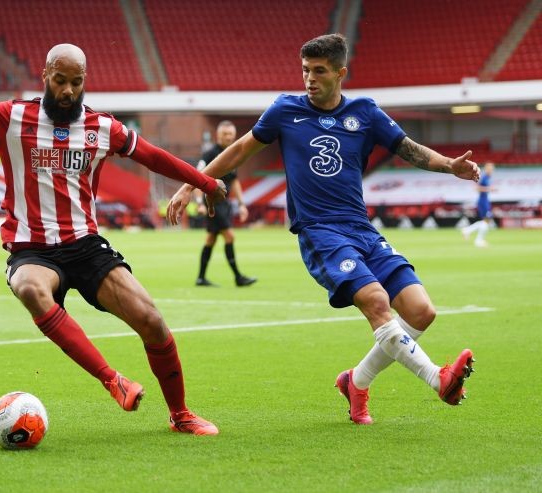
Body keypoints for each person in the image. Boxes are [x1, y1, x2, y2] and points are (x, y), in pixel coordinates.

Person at [0, 44, 226, 435]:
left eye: (76, 83)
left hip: (85, 245)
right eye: (61, 81)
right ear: (46, 75)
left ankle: (180, 414)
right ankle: (111, 379)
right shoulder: (10, 117)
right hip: (30, 248)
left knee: (151, 320)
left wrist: (204, 183)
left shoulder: (102, 128)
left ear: (85, 81)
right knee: (30, 288)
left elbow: (153, 157)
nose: (68, 91)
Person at [168, 34, 477, 425]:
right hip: (320, 232)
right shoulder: (284, 110)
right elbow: (239, 151)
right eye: (304, 70)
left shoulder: (365, 112)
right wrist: (190, 183)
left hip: (361, 229)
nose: (309, 79)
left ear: (340, 73)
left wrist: (451, 165)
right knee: (377, 303)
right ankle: (439, 379)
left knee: (420, 311)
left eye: (319, 71)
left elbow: (409, 148)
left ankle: (356, 381)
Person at [194, 120, 256, 287]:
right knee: (229, 236)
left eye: (230, 134)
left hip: (225, 203)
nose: (228, 137)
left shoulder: (233, 153)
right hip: (212, 202)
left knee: (211, 239)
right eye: (225, 134)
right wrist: (199, 202)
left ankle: (201, 278)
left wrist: (242, 204)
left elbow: (234, 181)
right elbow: (196, 178)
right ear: (218, 135)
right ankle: (238, 277)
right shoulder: (209, 155)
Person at [460, 161, 495, 247]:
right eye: (490, 168)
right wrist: (489, 189)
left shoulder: (488, 178)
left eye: (492, 169)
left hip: (485, 200)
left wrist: (488, 189)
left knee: (486, 220)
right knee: (487, 220)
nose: (491, 170)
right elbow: (477, 188)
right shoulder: (484, 178)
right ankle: (478, 240)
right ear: (486, 169)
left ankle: (468, 231)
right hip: (482, 201)